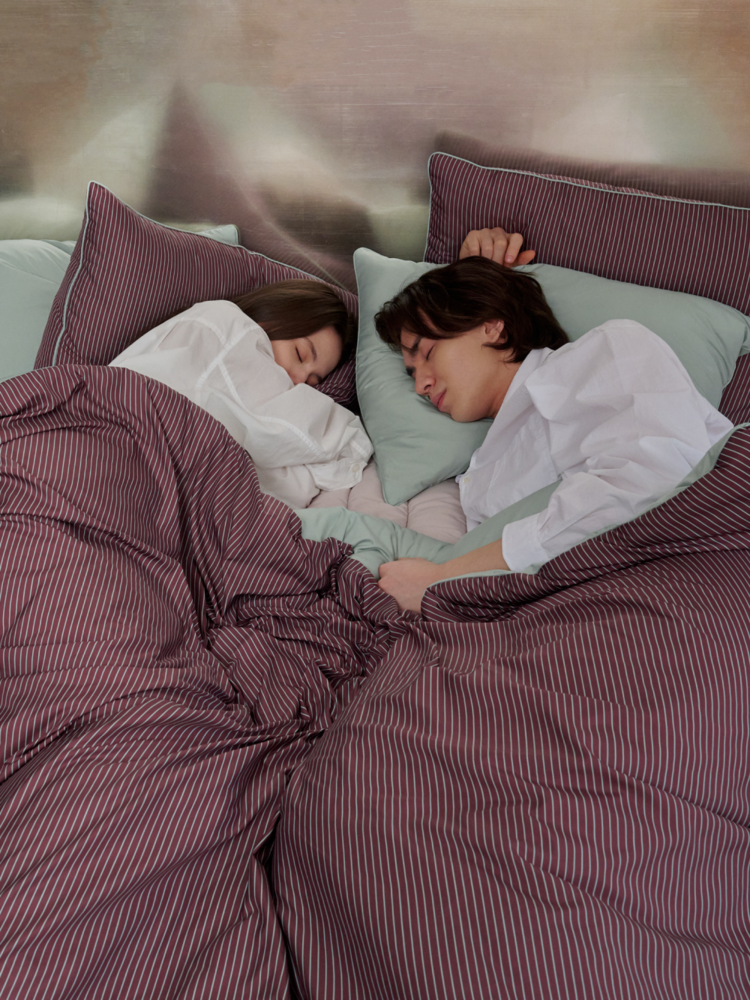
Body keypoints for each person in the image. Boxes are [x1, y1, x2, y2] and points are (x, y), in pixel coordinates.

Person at [375, 228, 734, 613]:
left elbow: (650, 483)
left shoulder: (605, 353)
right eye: (412, 373)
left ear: (491, 324)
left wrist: (444, 578)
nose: (421, 385)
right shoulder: (479, 472)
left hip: (684, 582)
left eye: (427, 353)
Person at [109, 280, 370, 509]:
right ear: (273, 318)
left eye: (313, 381)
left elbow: (276, 489)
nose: (300, 381)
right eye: (300, 354)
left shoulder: (244, 426)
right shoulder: (226, 324)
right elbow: (325, 441)